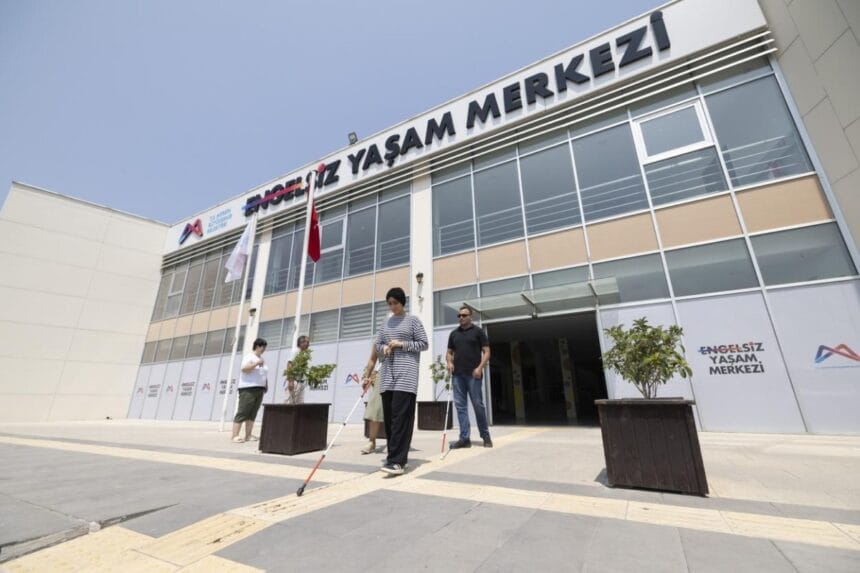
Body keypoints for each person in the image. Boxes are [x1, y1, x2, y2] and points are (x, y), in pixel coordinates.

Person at [375, 287, 428, 475]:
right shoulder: (386, 323)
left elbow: (424, 344)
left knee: (400, 419)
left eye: (395, 303)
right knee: (390, 419)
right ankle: (395, 458)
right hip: (387, 376)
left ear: (402, 302)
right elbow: (378, 344)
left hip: (406, 375)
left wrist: (401, 344)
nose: (392, 307)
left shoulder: (413, 321)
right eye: (389, 303)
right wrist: (384, 349)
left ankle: (396, 461)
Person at [447, 306, 492, 448]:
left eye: (464, 315)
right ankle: (464, 438)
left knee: (478, 405)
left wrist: (480, 368)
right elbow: (449, 352)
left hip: (473, 374)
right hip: (457, 376)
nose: (461, 317)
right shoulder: (454, 334)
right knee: (461, 407)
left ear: (470, 316)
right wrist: (449, 362)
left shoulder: (478, 332)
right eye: (459, 315)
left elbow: (487, 351)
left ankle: (485, 436)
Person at [232, 338, 269, 443]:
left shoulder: (262, 359)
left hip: (259, 388)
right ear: (257, 346)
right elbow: (244, 369)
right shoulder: (249, 357)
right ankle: (235, 435)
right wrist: (256, 363)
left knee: (253, 413)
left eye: (265, 347)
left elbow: (263, 373)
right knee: (243, 411)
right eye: (262, 347)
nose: (264, 349)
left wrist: (266, 384)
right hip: (248, 388)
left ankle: (248, 435)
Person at [360, 344, 384, 454]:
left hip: (399, 375)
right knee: (375, 407)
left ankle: (395, 443)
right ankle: (372, 441)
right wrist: (367, 377)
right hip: (381, 375)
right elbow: (372, 359)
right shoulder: (379, 340)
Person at [285, 335, 310, 404]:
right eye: (307, 342)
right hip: (294, 381)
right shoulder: (295, 352)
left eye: (308, 342)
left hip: (301, 382)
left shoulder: (304, 354)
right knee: (290, 403)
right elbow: (290, 365)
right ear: (301, 343)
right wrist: (290, 381)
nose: (308, 344)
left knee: (300, 404)